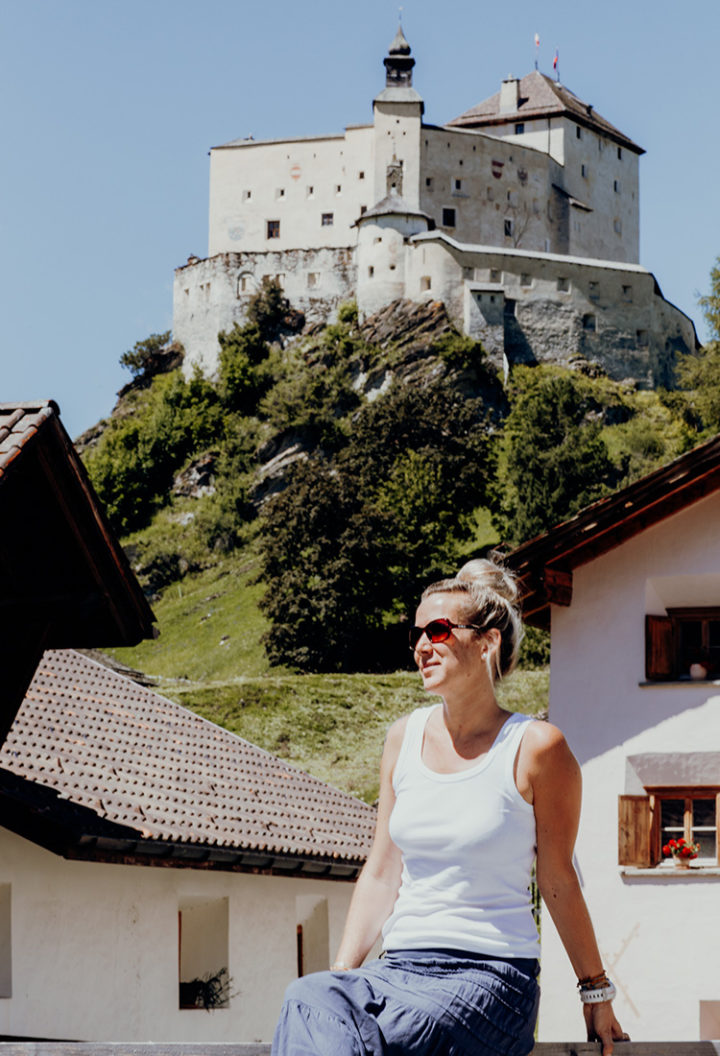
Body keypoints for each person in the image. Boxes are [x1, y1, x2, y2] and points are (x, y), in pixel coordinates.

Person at [272, 558, 627, 1056]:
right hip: (399, 970)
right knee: (308, 999)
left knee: (398, 1031)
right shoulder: (403, 738)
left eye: (438, 630)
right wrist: (344, 982)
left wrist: (595, 991)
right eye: (416, 633)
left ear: (488, 643)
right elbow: (382, 871)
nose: (421, 646)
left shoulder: (536, 748)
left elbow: (557, 879)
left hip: (491, 978)